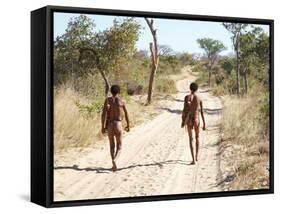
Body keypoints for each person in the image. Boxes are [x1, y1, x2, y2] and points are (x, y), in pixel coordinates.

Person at [101, 85, 130, 172]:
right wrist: (128, 124)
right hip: (118, 124)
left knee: (111, 145)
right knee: (119, 146)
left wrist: (103, 126)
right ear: (119, 91)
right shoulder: (122, 101)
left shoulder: (107, 100)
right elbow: (126, 114)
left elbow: (103, 115)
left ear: (111, 91)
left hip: (110, 125)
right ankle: (115, 160)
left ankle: (113, 164)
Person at [181, 82, 206, 164]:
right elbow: (202, 112)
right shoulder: (199, 98)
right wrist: (204, 124)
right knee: (197, 137)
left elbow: (184, 110)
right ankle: (197, 156)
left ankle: (193, 160)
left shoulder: (187, 97)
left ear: (190, 88)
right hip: (197, 119)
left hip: (189, 120)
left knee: (191, 139)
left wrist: (183, 120)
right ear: (197, 89)